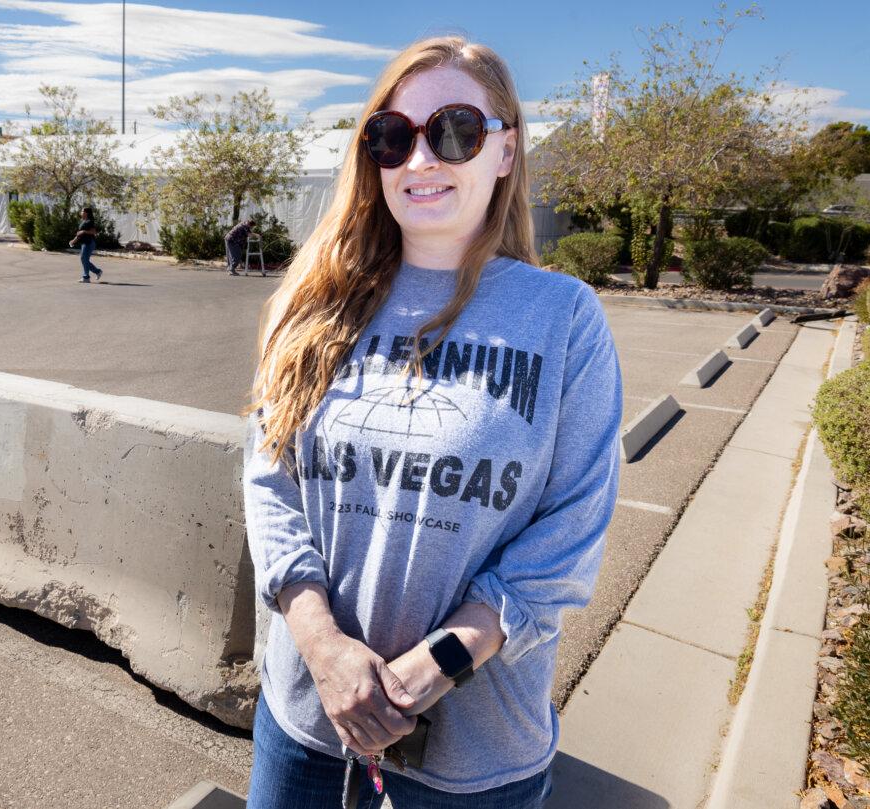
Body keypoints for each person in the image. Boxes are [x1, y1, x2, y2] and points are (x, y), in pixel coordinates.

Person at [241, 36, 623, 809]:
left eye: (455, 131)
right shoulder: (312, 303)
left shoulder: (563, 319)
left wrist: (426, 671)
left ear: (507, 150)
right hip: (305, 728)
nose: (420, 160)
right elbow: (270, 484)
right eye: (392, 136)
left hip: (473, 759)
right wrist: (322, 648)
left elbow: (569, 534)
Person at [71, 206, 103, 283]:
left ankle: (86, 277)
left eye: (82, 211)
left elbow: (94, 232)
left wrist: (84, 232)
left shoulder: (90, 221)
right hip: (84, 243)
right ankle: (97, 272)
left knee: (84, 259)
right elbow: (80, 233)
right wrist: (73, 241)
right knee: (84, 259)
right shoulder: (83, 221)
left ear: (86, 213)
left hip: (89, 243)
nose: (81, 212)